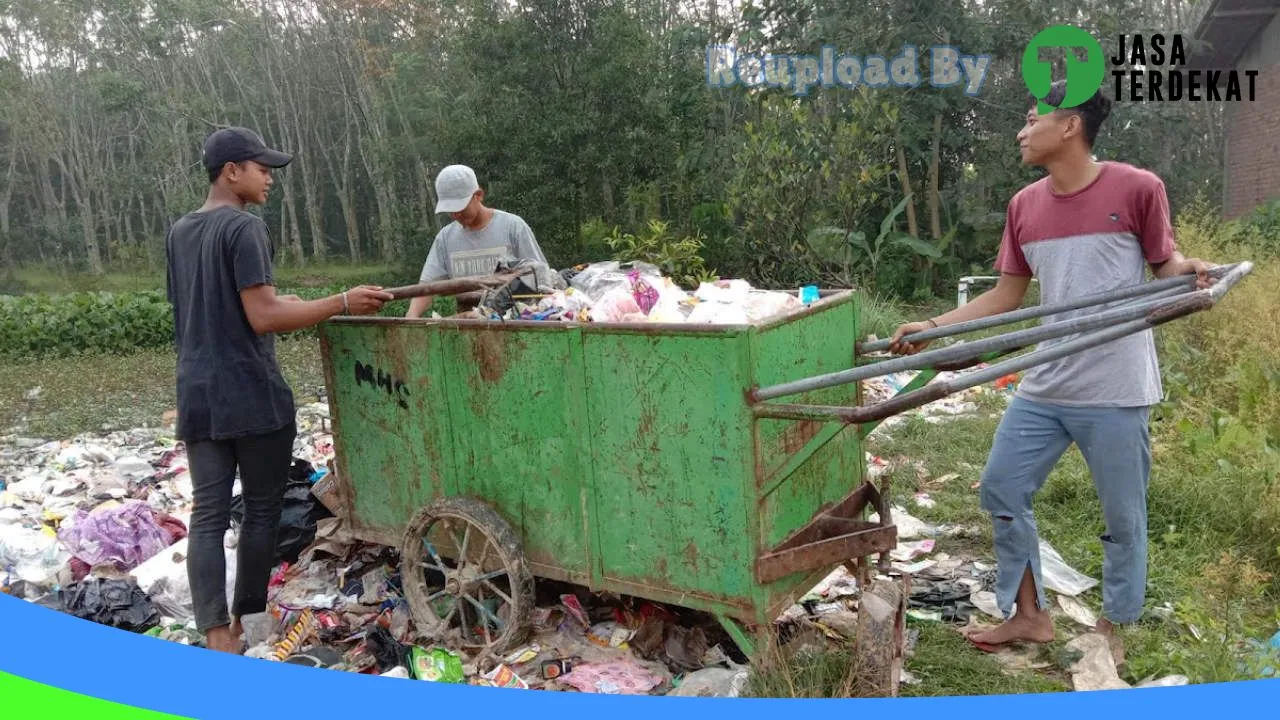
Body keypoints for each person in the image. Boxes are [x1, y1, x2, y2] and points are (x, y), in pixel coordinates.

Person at [887, 81, 1215, 654]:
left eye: (1033, 118)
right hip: (1046, 381)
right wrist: (936, 326)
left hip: (1116, 387)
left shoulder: (1138, 188)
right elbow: (1006, 295)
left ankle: (1115, 625)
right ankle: (1029, 615)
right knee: (1001, 488)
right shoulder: (1025, 206)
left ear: (1069, 127)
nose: (1022, 130)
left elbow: (1167, 265)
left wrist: (1193, 272)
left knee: (1123, 514)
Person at [165, 127, 392, 654]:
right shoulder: (244, 228)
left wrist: (286, 300)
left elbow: (210, 307)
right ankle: (248, 620)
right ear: (232, 172)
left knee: (208, 513)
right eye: (262, 168)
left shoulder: (181, 231)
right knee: (262, 511)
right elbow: (262, 316)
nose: (269, 178)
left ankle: (217, 636)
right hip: (249, 392)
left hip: (198, 391)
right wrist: (341, 301)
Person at [405, 164, 548, 318]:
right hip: (466, 324)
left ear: (478, 195)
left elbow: (540, 277)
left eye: (461, 207)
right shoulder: (445, 238)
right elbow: (427, 286)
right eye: (451, 210)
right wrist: (411, 317)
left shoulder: (512, 227)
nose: (457, 214)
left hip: (511, 322)